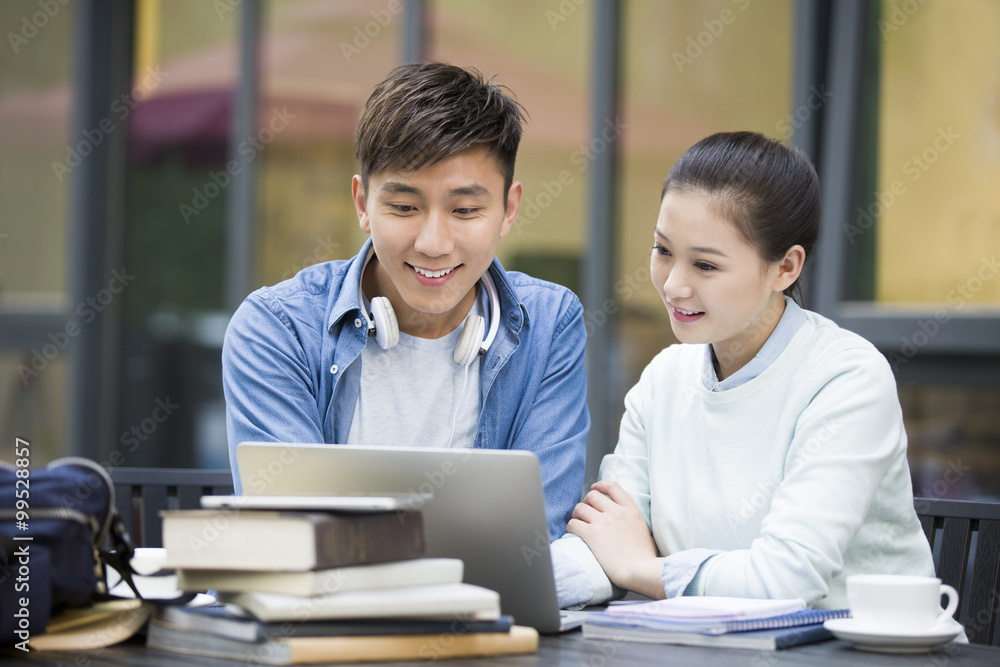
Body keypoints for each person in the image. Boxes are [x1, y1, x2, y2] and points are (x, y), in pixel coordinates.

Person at [551, 131, 934, 609]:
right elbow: (606, 537)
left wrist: (640, 570)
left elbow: (786, 580)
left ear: (785, 268)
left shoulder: (846, 378)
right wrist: (501, 587)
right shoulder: (664, 378)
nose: (673, 286)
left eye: (706, 266)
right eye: (663, 251)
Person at [222, 62, 589, 540]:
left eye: (465, 210)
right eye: (403, 207)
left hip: (485, 614)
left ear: (508, 209)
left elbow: (535, 539)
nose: (434, 243)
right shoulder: (276, 329)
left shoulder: (550, 325)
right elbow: (292, 540)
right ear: (362, 205)